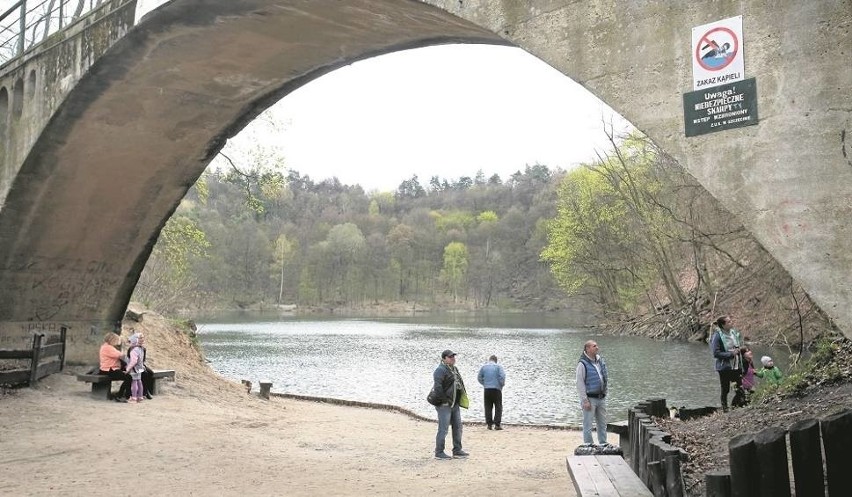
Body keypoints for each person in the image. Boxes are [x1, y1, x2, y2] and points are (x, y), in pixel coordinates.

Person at [432, 349, 470, 460]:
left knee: (458, 427)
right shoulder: (440, 370)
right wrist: (445, 401)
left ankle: (457, 450)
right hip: (444, 405)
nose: (453, 358)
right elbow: (438, 387)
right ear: (444, 358)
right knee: (443, 429)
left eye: (453, 356)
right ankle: (439, 452)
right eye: (450, 357)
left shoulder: (454, 369)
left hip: (455, 403)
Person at [576, 340, 609, 446]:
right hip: (590, 398)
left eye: (597, 346)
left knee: (602, 423)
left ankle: (603, 443)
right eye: (594, 346)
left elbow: (604, 377)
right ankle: (588, 445)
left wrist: (605, 392)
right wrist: (585, 400)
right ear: (587, 349)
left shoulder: (600, 361)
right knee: (588, 424)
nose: (597, 348)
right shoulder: (582, 364)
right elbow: (580, 383)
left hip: (601, 397)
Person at [710, 316, 743, 411]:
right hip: (724, 367)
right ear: (723, 325)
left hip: (736, 365)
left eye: (731, 321)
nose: (731, 322)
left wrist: (741, 349)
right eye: (728, 322)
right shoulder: (717, 336)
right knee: (725, 389)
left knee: (739, 387)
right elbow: (716, 353)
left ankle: (737, 406)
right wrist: (731, 354)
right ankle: (725, 408)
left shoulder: (733, 332)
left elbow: (738, 344)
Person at [97, 332, 130, 403]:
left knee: (129, 375)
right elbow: (121, 355)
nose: (118, 342)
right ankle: (119, 395)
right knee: (129, 377)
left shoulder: (106, 346)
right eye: (116, 340)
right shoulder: (108, 348)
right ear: (112, 340)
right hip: (109, 370)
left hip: (109, 368)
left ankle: (125, 394)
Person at [477, 355, 506, 430]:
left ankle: (489, 424)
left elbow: (479, 378)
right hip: (496, 389)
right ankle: (497, 425)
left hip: (487, 389)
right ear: (496, 360)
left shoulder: (484, 367)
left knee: (488, 406)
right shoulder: (498, 367)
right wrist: (501, 385)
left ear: (489, 359)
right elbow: (502, 377)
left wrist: (484, 383)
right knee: (498, 406)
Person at [125, 334, 146, 403]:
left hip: (134, 368)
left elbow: (133, 361)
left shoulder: (133, 350)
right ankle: (140, 396)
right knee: (139, 381)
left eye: (130, 342)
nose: (129, 344)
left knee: (134, 382)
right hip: (140, 368)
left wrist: (128, 368)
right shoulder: (141, 348)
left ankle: (134, 398)